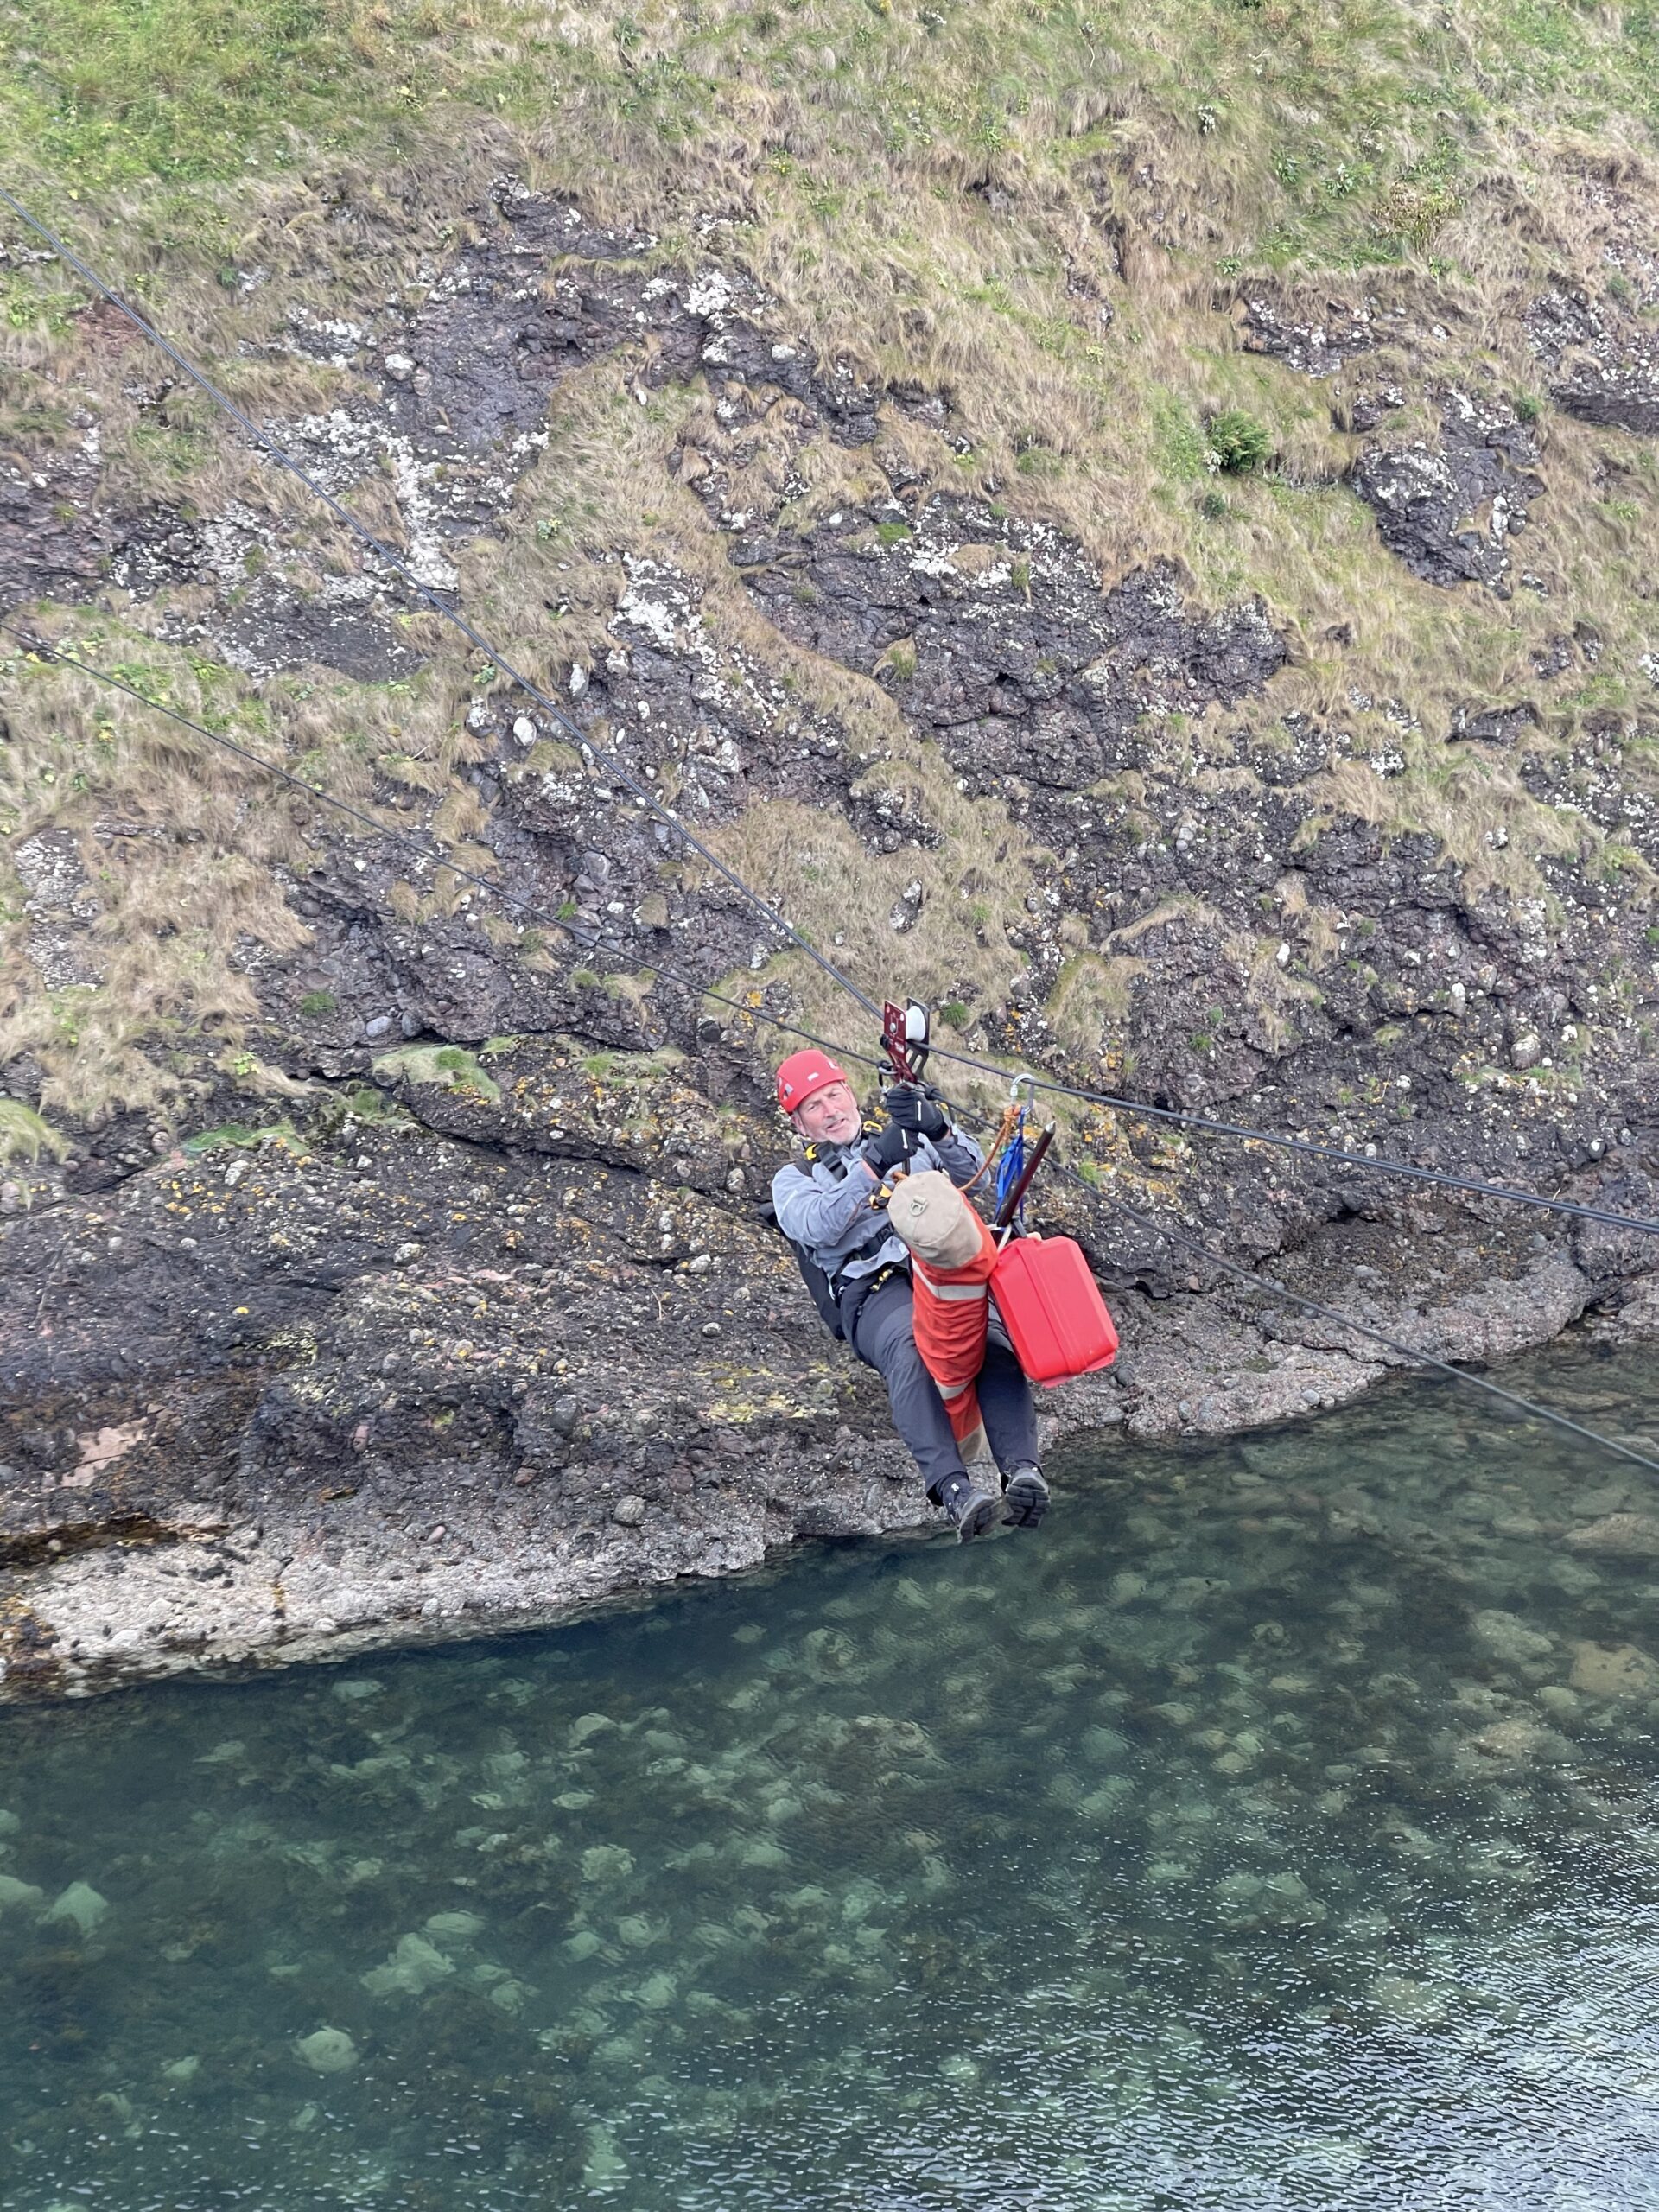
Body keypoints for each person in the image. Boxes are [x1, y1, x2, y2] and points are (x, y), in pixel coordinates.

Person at [770, 1050, 1047, 1541]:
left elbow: (972, 1178)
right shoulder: (794, 1180)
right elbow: (817, 1226)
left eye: (834, 1095)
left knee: (990, 1340)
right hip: (872, 1288)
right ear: (799, 1124)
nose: (830, 1110)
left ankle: (1023, 1470)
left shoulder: (903, 1139)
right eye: (813, 1106)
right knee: (910, 1348)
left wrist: (938, 1129)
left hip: (936, 1264)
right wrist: (873, 1165)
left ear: (850, 1095)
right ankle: (954, 1491)